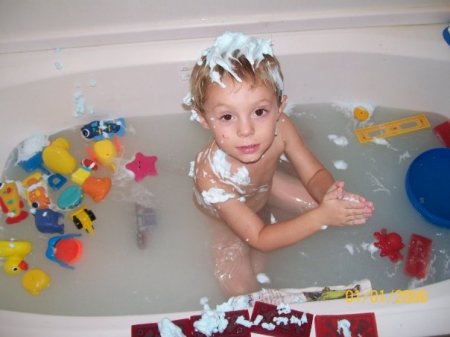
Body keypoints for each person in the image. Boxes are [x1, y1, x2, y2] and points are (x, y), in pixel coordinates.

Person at [184, 32, 374, 296]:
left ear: (279, 107)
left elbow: (314, 173)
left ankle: (288, 224)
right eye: (227, 116)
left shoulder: (282, 129)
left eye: (260, 112)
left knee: (330, 209)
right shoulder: (211, 176)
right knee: (240, 289)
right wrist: (320, 217)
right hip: (226, 219)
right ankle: (278, 239)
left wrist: (330, 198)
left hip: (267, 186)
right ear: (204, 120)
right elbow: (260, 238)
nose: (246, 130)